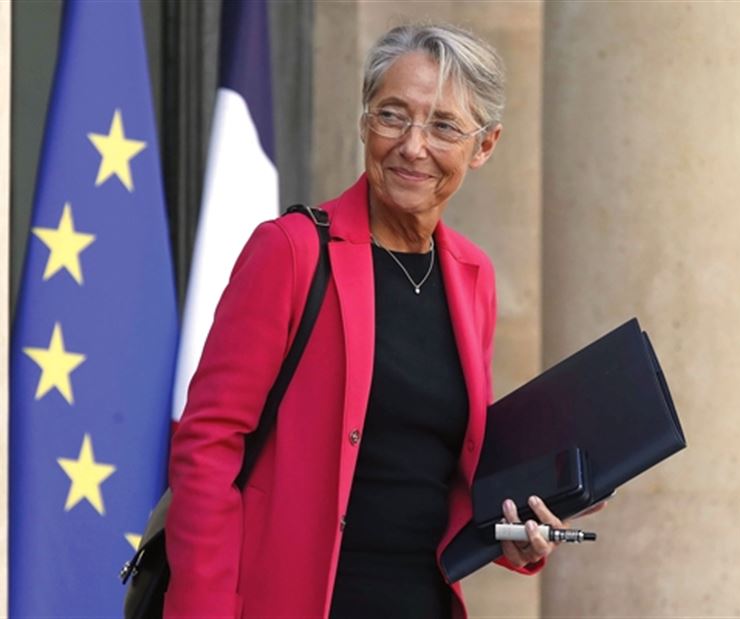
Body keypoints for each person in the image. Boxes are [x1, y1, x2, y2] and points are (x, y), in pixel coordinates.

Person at [163, 23, 601, 619]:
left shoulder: (474, 275)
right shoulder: (290, 251)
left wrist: (517, 534)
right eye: (392, 115)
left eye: (444, 126)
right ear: (365, 122)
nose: (413, 146)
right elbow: (207, 446)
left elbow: (447, 473)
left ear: (485, 146)